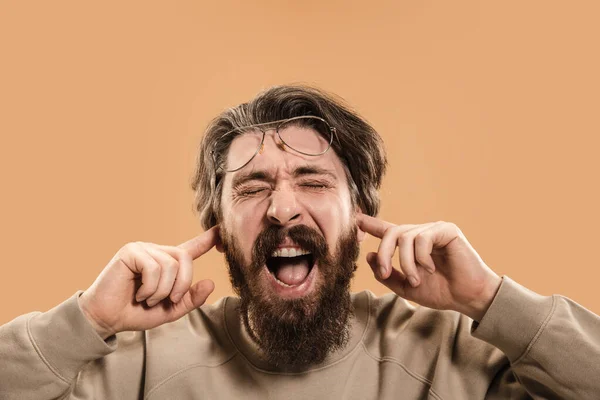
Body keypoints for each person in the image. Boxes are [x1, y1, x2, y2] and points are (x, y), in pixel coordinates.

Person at [1, 86, 599, 400]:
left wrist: (491, 301)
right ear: (217, 225)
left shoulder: (448, 357)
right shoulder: (141, 362)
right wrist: (85, 320)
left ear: (360, 214)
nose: (282, 208)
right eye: (252, 187)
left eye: (312, 181)